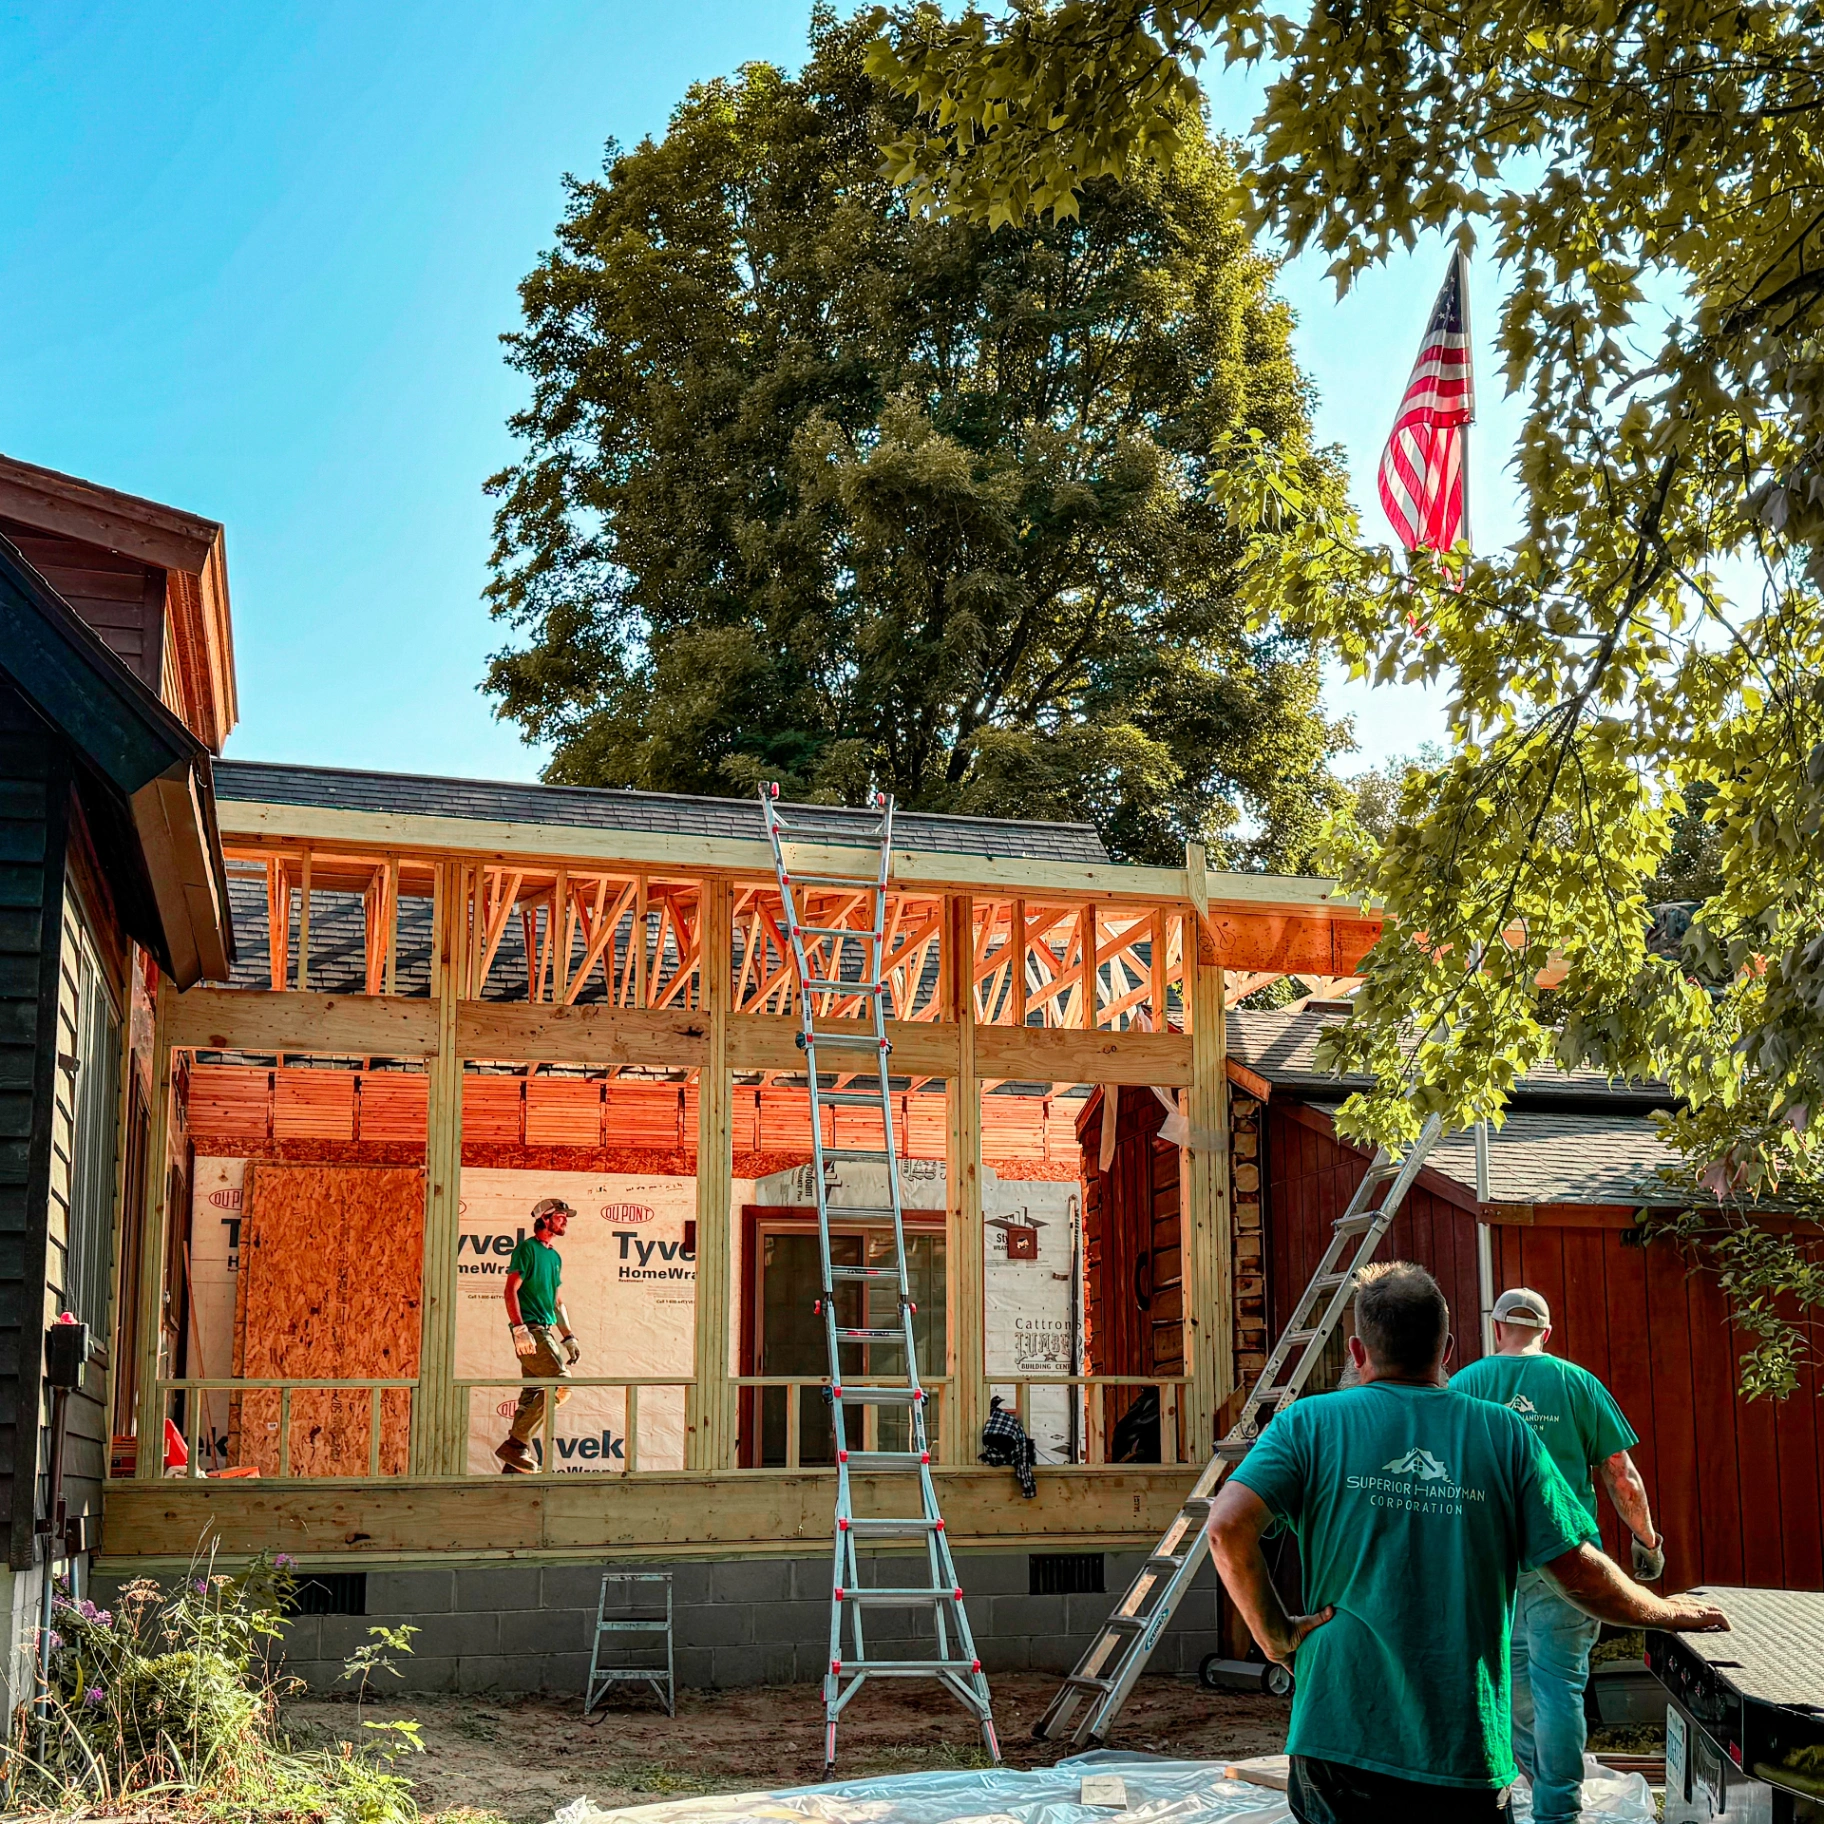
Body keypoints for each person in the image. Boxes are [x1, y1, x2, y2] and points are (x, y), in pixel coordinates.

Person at [1208, 1262, 1725, 1824]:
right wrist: (1664, 1611)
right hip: (1462, 1747)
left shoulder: (1306, 1423)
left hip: (1338, 1737)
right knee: (1555, 1689)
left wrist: (1276, 1637)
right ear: (1446, 1349)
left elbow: (1225, 1527)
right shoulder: (1504, 1433)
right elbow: (1578, 1572)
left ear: (1357, 1352)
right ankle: (1558, 1810)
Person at [1451, 1287, 1665, 1824]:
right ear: (1546, 1333)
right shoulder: (1577, 1383)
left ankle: (1537, 1784)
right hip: (1568, 1563)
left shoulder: (1465, 1386)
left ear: (1496, 1327)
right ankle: (1556, 1806)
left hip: (1492, 1566)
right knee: (1560, 1685)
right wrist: (1647, 1540)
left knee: (1511, 1682)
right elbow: (1621, 1475)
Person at [496, 1197, 582, 1473]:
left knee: (532, 1393)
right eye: (559, 1216)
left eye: (565, 1217)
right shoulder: (527, 1249)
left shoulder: (554, 1257)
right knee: (561, 1385)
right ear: (544, 1219)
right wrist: (519, 1329)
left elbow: (556, 1301)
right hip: (531, 1331)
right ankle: (516, 1444)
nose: (564, 1220)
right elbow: (510, 1290)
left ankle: (513, 1463)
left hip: (544, 1331)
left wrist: (568, 1337)